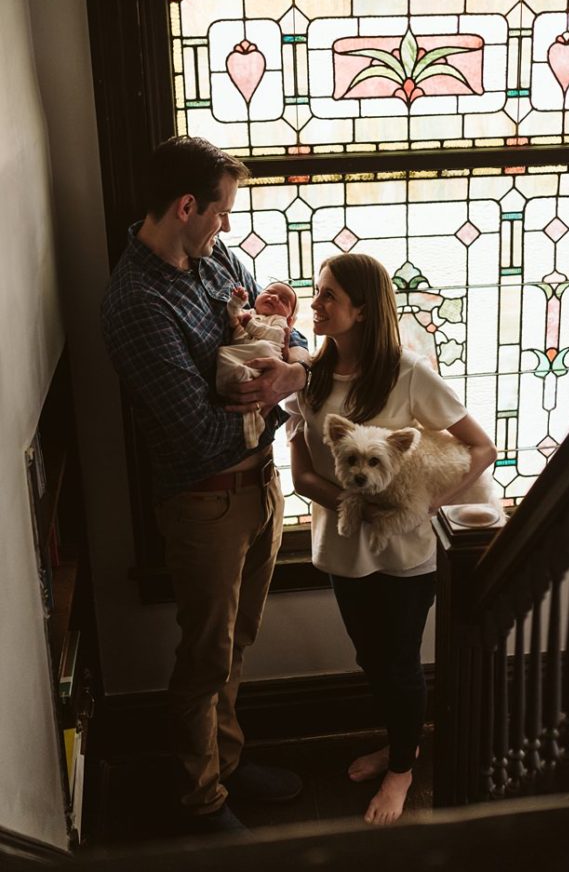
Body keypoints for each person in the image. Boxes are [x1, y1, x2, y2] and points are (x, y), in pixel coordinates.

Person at [101, 135, 312, 835]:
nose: (228, 226)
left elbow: (275, 336)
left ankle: (227, 759)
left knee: (239, 640)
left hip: (259, 486)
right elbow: (197, 432)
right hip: (205, 501)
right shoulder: (135, 303)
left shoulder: (218, 258)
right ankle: (201, 799)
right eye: (220, 212)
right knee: (205, 654)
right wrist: (283, 396)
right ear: (186, 206)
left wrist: (294, 362)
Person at [287, 253, 498, 826]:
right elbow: (303, 473)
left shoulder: (409, 374)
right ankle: (402, 740)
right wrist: (357, 504)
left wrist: (424, 507)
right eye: (317, 292)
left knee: (399, 661)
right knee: (370, 657)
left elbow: (483, 448)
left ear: (362, 308)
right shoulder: (309, 376)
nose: (317, 303)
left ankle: (402, 767)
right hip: (344, 541)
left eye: (329, 295)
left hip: (408, 553)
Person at [216, 282, 298, 449]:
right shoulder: (249, 313)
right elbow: (233, 317)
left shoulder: (278, 320)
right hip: (242, 355)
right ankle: (236, 380)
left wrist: (251, 325)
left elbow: (278, 336)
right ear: (257, 298)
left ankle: (246, 384)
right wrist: (236, 302)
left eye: (283, 300)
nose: (274, 297)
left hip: (265, 356)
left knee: (264, 347)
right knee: (222, 353)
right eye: (269, 292)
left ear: (289, 319)